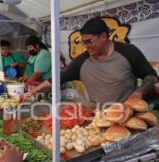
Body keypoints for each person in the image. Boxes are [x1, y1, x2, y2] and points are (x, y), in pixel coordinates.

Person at [23, 17, 158, 104]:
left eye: (89, 42)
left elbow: (151, 76)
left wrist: (138, 93)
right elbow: (55, 79)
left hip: (127, 114)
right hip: (97, 117)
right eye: (83, 42)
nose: (85, 47)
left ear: (104, 36)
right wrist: (30, 93)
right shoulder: (82, 61)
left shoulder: (128, 52)